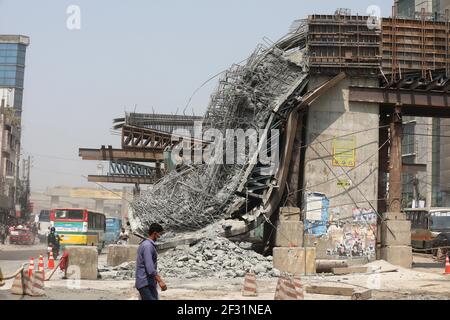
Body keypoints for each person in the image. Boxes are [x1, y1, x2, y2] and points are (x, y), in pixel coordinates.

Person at [135, 223, 167, 300]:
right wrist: (160, 281)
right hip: (145, 284)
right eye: (160, 234)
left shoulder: (146, 244)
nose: (160, 237)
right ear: (155, 233)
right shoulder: (148, 246)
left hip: (148, 283)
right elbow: (150, 268)